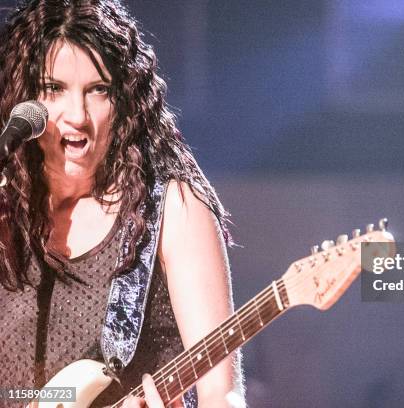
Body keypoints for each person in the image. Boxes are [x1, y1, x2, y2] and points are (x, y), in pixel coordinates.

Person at [0, 0, 243, 406]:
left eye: (98, 90)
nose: (77, 115)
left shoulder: (171, 210)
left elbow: (224, 395)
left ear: (125, 101)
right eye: (53, 89)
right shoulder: (8, 212)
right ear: (21, 101)